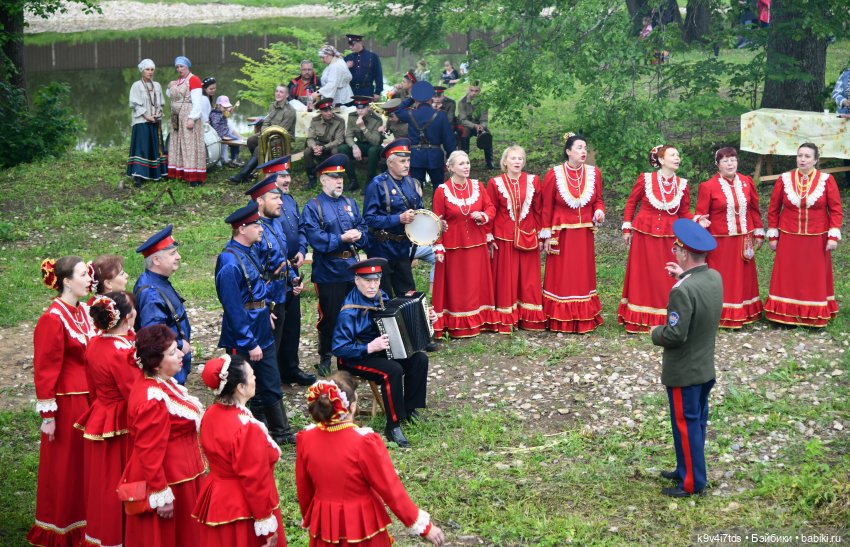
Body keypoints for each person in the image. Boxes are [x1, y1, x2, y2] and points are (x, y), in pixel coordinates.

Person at [296, 372, 445, 546]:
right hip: (360, 521)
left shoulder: (305, 438)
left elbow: (304, 487)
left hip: (325, 524)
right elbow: (390, 488)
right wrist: (422, 525)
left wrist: (310, 516)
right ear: (352, 406)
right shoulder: (363, 442)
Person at [650, 219, 722, 498]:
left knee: (686, 424)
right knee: (696, 423)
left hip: (684, 372)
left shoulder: (682, 291)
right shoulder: (714, 277)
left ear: (683, 253)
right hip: (704, 368)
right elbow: (699, 291)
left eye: (676, 249)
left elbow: (675, 335)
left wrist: (655, 332)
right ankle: (685, 468)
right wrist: (684, 276)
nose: (675, 253)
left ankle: (692, 483)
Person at [215, 201, 296, 444]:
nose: (261, 229)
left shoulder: (250, 251)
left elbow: (257, 290)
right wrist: (249, 342)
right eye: (256, 225)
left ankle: (279, 432)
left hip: (260, 324)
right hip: (245, 334)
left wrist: (267, 310)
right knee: (242, 384)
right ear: (242, 229)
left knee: (269, 379)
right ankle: (249, 431)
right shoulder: (229, 262)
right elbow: (233, 308)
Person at [27, 256, 94, 547]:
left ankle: (88, 518)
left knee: (85, 462)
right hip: (67, 404)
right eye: (83, 273)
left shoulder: (82, 312)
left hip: (89, 399)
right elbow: (45, 367)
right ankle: (62, 525)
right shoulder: (52, 318)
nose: (89, 277)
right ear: (67, 281)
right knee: (67, 464)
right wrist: (48, 415)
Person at [332, 258, 434, 447]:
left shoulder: (381, 296)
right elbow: (339, 348)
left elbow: (396, 319)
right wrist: (369, 347)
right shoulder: (348, 311)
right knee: (392, 370)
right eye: (367, 281)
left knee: (419, 359)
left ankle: (409, 409)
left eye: (376, 280)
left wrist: (426, 317)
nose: (373, 286)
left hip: (381, 351)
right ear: (357, 281)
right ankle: (393, 425)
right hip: (354, 358)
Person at [121, 324, 206, 547]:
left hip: (185, 476)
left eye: (176, 349)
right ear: (156, 363)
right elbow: (149, 451)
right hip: (172, 481)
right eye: (172, 353)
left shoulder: (163, 383)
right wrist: (161, 493)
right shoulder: (152, 399)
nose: (180, 354)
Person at [193, 354, 286, 547]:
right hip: (243, 505)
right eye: (251, 375)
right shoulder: (246, 428)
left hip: (218, 498)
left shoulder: (211, 413)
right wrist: (265, 521)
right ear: (240, 388)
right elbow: (254, 479)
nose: (255, 378)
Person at [76, 291, 142, 547]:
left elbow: (92, 385)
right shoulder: (122, 352)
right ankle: (121, 535)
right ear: (128, 317)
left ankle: (101, 531)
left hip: (100, 414)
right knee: (119, 477)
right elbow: (134, 394)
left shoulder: (94, 343)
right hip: (120, 421)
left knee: (102, 479)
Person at [301, 154, 371, 377]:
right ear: (323, 180)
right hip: (328, 271)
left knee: (355, 313)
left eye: (340, 176)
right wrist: (341, 238)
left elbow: (364, 229)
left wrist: (359, 235)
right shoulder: (314, 207)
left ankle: (352, 355)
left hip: (352, 268)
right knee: (330, 316)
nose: (339, 181)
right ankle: (325, 355)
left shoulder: (350, 203)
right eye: (333, 177)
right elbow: (316, 239)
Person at [619, 145, 700, 333]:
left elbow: (684, 212)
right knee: (643, 273)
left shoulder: (682, 184)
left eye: (679, 155)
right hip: (643, 234)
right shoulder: (645, 179)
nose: (677, 158)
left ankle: (668, 316)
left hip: (669, 236)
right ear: (662, 160)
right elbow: (632, 202)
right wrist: (626, 227)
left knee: (666, 275)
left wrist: (697, 218)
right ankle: (640, 316)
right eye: (673, 155)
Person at [246, 171, 314, 386]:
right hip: (267, 295)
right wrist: (263, 305)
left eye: (280, 198)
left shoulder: (274, 222)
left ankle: (283, 373)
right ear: (260, 201)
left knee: (288, 332)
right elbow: (253, 271)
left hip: (283, 290)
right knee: (268, 345)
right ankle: (263, 389)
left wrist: (294, 279)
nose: (280, 203)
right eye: (275, 198)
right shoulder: (254, 229)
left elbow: (283, 258)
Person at [764, 143, 843, 327]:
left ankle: (812, 316)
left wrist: (833, 236)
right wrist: (773, 235)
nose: (802, 159)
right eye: (800, 155)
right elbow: (773, 209)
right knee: (788, 276)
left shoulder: (826, 180)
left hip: (817, 238)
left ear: (816, 160)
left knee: (812, 278)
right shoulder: (784, 179)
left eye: (807, 156)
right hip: (789, 237)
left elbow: (836, 210)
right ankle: (785, 316)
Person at [540, 134, 605, 333]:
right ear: (568, 151)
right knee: (563, 276)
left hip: (584, 234)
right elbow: (546, 208)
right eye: (578, 147)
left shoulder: (594, 173)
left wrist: (599, 210)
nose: (583, 151)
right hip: (562, 234)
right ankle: (560, 317)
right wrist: (546, 235)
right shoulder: (554, 174)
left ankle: (584, 315)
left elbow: (598, 200)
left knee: (581, 275)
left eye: (585, 147)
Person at [694, 147, 765, 328]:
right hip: (720, 242)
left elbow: (754, 209)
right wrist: (701, 242)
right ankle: (720, 315)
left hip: (744, 240)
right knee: (723, 278)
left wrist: (758, 230)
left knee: (744, 278)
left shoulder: (747, 182)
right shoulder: (708, 186)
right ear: (718, 165)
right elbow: (702, 215)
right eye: (725, 160)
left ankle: (745, 312)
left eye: (733, 159)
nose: (730, 163)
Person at [431, 150, 498, 338]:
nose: (466, 166)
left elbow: (491, 207)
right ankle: (456, 324)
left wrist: (483, 216)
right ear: (450, 167)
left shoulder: (478, 186)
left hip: (477, 244)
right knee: (457, 287)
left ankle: (479, 321)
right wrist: (438, 245)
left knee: (476, 285)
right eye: (461, 164)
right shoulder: (442, 190)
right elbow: (437, 220)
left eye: (467, 162)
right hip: (453, 247)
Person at [487, 145, 545, 332]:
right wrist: (489, 235)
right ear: (505, 162)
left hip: (528, 235)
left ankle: (529, 318)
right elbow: (491, 209)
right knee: (507, 278)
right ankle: (507, 317)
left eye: (520, 158)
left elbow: (538, 208)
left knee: (528, 278)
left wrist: (541, 232)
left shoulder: (533, 180)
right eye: (513, 158)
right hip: (504, 236)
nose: (517, 161)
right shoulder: (495, 183)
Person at [363, 138, 424, 297]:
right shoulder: (377, 184)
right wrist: (398, 219)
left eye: (408, 160)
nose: (406, 164)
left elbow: (420, 208)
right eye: (402, 161)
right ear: (390, 163)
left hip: (402, 247)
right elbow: (369, 219)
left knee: (408, 293)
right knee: (383, 297)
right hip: (381, 247)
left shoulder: (410, 182)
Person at [134, 224, 193, 384]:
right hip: (167, 369)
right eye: (173, 253)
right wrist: (180, 344)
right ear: (156, 260)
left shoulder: (158, 281)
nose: (178, 257)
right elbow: (153, 335)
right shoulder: (151, 293)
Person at [395, 81, 456, 192]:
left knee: (416, 188)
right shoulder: (441, 115)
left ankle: (417, 209)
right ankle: (437, 209)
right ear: (431, 97)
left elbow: (398, 110)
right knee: (438, 188)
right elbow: (449, 140)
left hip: (416, 157)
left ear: (416, 98)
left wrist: (412, 98)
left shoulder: (410, 114)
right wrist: (451, 159)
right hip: (435, 157)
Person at [231, 83, 298, 184]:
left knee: (260, 148)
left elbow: (282, 130)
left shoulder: (290, 111)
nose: (278, 94)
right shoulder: (272, 105)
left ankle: (242, 175)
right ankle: (261, 165)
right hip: (269, 133)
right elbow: (266, 121)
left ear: (287, 95)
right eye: (277, 91)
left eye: (281, 92)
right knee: (251, 140)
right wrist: (264, 132)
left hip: (283, 137)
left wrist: (265, 136)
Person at [166, 55, 206, 186]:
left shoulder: (194, 80)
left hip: (188, 114)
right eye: (177, 67)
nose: (179, 69)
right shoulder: (177, 81)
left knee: (189, 145)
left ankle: (194, 176)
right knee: (177, 143)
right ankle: (180, 172)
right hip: (176, 115)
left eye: (181, 66)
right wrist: (169, 86)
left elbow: (197, 102)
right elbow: (170, 95)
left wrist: (192, 118)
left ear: (187, 67)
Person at [127, 58, 167, 187]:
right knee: (142, 147)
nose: (150, 72)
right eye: (147, 69)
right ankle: (138, 176)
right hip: (141, 121)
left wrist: (158, 114)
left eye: (152, 70)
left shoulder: (157, 85)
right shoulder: (136, 85)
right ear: (142, 71)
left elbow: (161, 103)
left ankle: (153, 173)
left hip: (155, 120)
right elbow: (135, 104)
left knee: (154, 146)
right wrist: (146, 115)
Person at [339, 95, 384, 188]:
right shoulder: (352, 116)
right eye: (357, 108)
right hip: (361, 144)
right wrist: (354, 147)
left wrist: (363, 127)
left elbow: (375, 141)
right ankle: (353, 180)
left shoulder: (376, 119)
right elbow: (348, 136)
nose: (360, 110)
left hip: (374, 146)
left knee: (373, 150)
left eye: (363, 108)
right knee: (342, 148)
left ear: (368, 107)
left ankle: (370, 181)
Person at [303, 97, 346, 188]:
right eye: (326, 111)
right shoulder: (315, 121)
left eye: (330, 109)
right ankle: (312, 180)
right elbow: (310, 138)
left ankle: (336, 177)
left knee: (335, 151)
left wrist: (324, 147)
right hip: (319, 144)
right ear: (321, 112)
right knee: (307, 152)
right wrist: (314, 147)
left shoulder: (340, 121)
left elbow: (339, 140)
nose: (329, 113)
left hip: (333, 144)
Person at [457, 81, 494, 169]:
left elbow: (484, 119)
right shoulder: (462, 102)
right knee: (465, 132)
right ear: (468, 90)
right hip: (466, 125)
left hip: (479, 125)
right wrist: (474, 126)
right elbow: (463, 120)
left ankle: (489, 162)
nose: (473, 93)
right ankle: (464, 160)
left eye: (476, 91)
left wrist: (482, 126)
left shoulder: (483, 102)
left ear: (480, 91)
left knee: (487, 134)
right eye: (471, 90)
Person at [344, 33, 383, 101]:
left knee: (366, 110)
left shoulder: (373, 57)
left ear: (359, 43)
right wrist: (345, 67)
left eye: (352, 44)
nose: (350, 47)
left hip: (367, 91)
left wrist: (377, 92)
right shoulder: (347, 58)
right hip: (351, 91)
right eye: (349, 44)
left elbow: (378, 75)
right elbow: (341, 76)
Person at [210, 95, 244, 167]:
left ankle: (234, 159)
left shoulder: (221, 112)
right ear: (218, 105)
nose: (226, 109)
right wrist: (222, 136)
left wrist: (228, 111)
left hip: (226, 133)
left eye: (227, 107)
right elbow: (216, 126)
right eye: (224, 107)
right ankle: (234, 159)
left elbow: (224, 117)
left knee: (237, 141)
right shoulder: (214, 114)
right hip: (221, 135)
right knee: (236, 141)